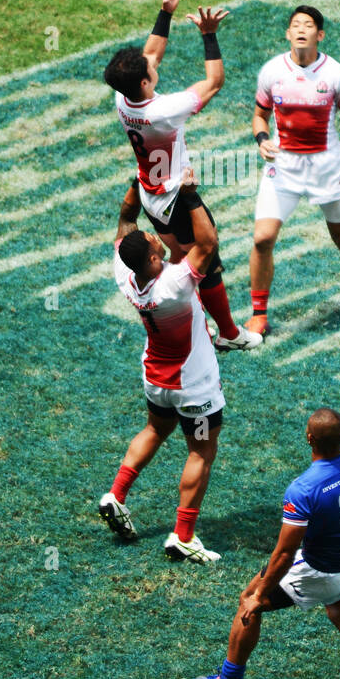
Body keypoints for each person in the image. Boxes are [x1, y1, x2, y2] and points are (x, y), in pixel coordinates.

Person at [104, 0, 260, 352]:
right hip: (176, 196)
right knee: (206, 259)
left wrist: (166, 12)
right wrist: (209, 34)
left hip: (151, 194)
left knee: (178, 256)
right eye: (148, 70)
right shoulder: (164, 111)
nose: (153, 64)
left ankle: (200, 323)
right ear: (143, 83)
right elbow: (214, 81)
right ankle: (228, 333)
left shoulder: (124, 101)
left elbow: (150, 56)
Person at [191, 408, 340, 679]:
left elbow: (285, 553)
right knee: (337, 594)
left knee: (248, 599)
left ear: (308, 438)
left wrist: (259, 596)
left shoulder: (304, 488)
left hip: (320, 571)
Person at [99, 172, 227, 564]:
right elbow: (208, 243)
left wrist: (137, 185)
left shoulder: (126, 274)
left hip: (157, 377)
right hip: (193, 386)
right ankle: (183, 535)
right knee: (201, 452)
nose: (159, 238)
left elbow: (125, 224)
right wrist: (189, 196)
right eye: (157, 241)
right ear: (154, 259)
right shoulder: (174, 283)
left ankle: (116, 494)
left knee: (156, 428)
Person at [246, 5, 340, 334]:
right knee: (262, 238)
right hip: (284, 167)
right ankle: (258, 314)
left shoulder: (335, 74)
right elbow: (259, 115)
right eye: (295, 25)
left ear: (319, 35)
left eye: (308, 25)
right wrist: (262, 138)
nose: (300, 30)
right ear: (287, 34)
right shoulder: (272, 71)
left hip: (326, 166)